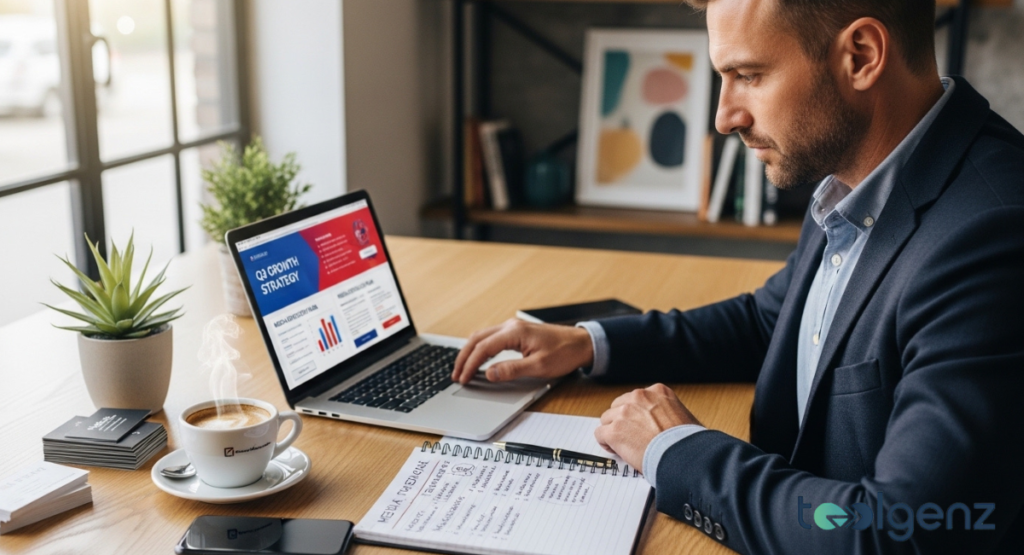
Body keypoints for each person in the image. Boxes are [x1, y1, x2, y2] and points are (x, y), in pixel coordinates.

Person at [452, 0, 1024, 552]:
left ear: (861, 55)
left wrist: (678, 450)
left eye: (748, 75)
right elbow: (771, 320)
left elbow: (895, 533)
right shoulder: (860, 177)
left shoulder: (994, 234)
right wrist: (587, 343)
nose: (725, 117)